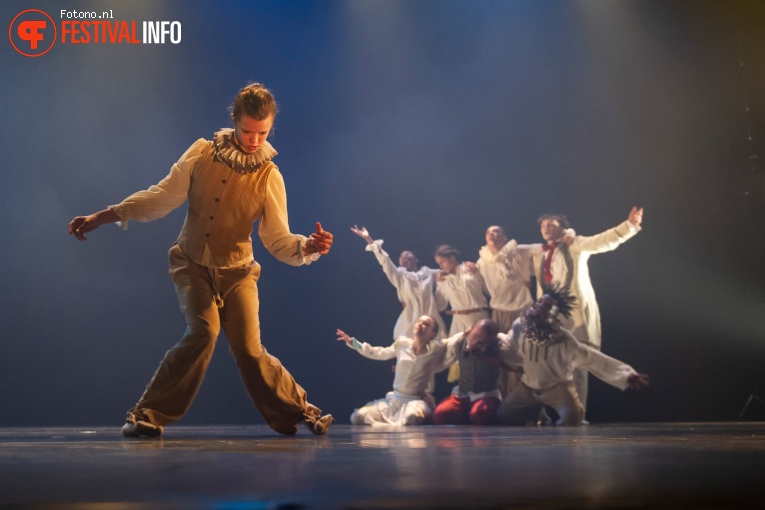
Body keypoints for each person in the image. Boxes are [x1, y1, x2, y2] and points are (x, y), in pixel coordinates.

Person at [68, 83, 335, 437]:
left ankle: (301, 409)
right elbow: (161, 196)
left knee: (249, 348)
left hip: (238, 273)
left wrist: (308, 247)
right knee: (204, 332)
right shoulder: (201, 153)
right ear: (233, 120)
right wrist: (104, 216)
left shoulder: (269, 176)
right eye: (247, 131)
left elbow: (276, 238)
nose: (254, 140)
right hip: (191, 264)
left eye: (262, 133)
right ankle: (146, 414)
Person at [531, 207, 643, 413]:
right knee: (549, 365)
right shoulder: (539, 254)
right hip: (550, 318)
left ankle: (578, 415)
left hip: (574, 314)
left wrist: (629, 226)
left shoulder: (574, 244)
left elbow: (601, 241)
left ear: (563, 228)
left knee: (579, 364)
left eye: (551, 224)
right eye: (543, 225)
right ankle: (548, 415)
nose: (546, 228)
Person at [497, 287, 649, 426]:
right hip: (528, 389)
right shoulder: (520, 326)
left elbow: (592, 358)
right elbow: (510, 347)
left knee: (572, 419)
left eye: (548, 306)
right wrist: (489, 346)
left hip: (557, 388)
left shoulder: (563, 339)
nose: (542, 306)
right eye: (541, 301)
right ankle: (537, 412)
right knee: (504, 415)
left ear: (554, 314)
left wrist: (626, 374)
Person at [336, 315, 445, 426]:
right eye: (418, 321)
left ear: (432, 333)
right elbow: (379, 353)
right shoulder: (402, 344)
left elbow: (452, 344)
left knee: (413, 417)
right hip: (395, 402)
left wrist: (463, 335)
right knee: (357, 417)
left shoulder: (435, 349)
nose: (419, 324)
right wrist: (354, 343)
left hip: (414, 401)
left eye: (425, 324)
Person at [350, 226, 446, 341]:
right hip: (412, 322)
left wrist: (466, 267)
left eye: (407, 255)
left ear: (416, 259)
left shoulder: (428, 273)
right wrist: (368, 238)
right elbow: (385, 262)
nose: (404, 257)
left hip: (431, 318)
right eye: (401, 257)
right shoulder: (400, 276)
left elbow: (448, 272)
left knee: (440, 349)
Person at [433, 319, 520, 426]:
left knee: (481, 413)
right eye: (475, 335)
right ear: (472, 328)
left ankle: (473, 417)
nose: (475, 342)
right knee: (442, 413)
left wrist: (493, 361)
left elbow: (516, 365)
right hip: (462, 394)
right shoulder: (459, 342)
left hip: (485, 395)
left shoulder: (498, 348)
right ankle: (466, 416)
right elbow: (442, 357)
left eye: (481, 342)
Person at [434, 244, 490, 382]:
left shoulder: (472, 269)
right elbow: (440, 305)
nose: (441, 266)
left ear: (452, 257)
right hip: (458, 320)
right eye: (439, 264)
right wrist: (440, 284)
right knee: (455, 355)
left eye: (443, 262)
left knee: (482, 352)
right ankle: (462, 390)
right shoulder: (444, 280)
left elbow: (489, 290)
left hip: (478, 317)